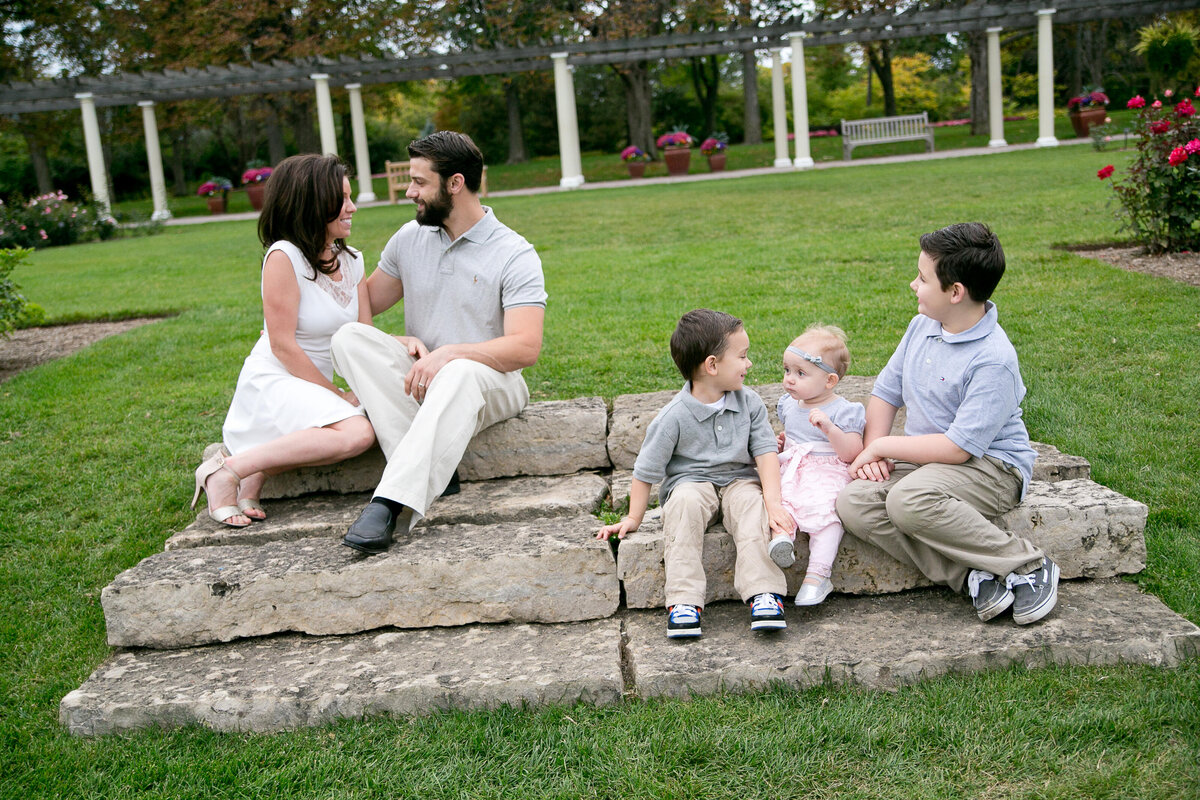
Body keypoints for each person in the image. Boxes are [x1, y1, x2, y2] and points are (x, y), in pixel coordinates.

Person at [331, 131, 546, 554]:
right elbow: (361, 307)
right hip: (422, 381)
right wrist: (332, 252)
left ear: (455, 183)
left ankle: (389, 503)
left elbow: (525, 348)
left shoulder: (514, 253)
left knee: (461, 371)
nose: (409, 192)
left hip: (492, 382)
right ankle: (434, 467)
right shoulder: (409, 239)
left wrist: (451, 353)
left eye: (419, 182)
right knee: (349, 338)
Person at [836, 222, 1059, 625]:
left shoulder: (994, 359)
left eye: (922, 278)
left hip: (990, 467)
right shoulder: (922, 326)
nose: (912, 285)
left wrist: (883, 447)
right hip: (929, 463)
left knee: (908, 501)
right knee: (852, 502)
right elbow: (886, 392)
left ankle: (1027, 565)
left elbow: (959, 448)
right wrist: (873, 453)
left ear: (955, 292)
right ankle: (972, 575)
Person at [192, 154, 376, 527]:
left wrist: (371, 381)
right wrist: (337, 395)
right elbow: (282, 345)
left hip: (312, 385)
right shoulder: (284, 256)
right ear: (312, 202)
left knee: (374, 413)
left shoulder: (353, 260)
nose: (352, 207)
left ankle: (253, 478)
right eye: (341, 199)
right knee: (357, 433)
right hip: (277, 379)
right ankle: (226, 471)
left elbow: (365, 337)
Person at [597, 309, 792, 639]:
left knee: (751, 505)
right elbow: (646, 472)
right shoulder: (672, 417)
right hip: (690, 483)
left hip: (738, 481)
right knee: (684, 504)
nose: (749, 364)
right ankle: (684, 601)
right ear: (712, 365)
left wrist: (773, 503)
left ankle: (764, 593)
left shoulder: (751, 403)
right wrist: (633, 517)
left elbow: (764, 453)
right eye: (742, 356)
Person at [769, 324, 865, 606]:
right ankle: (782, 539)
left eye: (800, 373)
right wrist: (782, 443)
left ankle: (818, 575)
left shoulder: (843, 410)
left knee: (827, 516)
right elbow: (795, 437)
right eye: (787, 370)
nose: (789, 380)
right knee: (780, 504)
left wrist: (830, 428)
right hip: (793, 469)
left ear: (830, 381)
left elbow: (852, 452)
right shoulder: (789, 404)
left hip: (826, 472)